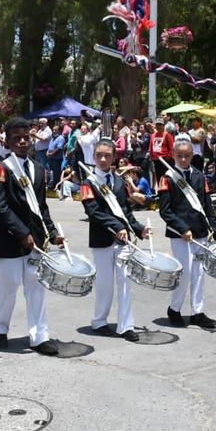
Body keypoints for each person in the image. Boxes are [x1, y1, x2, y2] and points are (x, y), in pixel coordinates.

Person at [0, 117, 65, 355]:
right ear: (8, 141)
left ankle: (39, 336)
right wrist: (21, 232)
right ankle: (0, 329)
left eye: (25, 137)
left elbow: (41, 207)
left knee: (36, 288)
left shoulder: (39, 169)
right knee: (8, 287)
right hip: (11, 239)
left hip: (36, 241)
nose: (22, 141)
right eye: (16, 138)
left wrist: (52, 233)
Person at [80, 140, 150, 342]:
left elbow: (126, 211)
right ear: (93, 157)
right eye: (99, 155)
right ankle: (99, 321)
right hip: (102, 239)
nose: (103, 159)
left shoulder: (119, 181)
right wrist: (117, 226)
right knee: (105, 284)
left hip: (123, 241)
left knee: (125, 281)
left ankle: (126, 326)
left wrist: (138, 228)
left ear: (114, 157)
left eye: (107, 155)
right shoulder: (88, 183)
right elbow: (93, 211)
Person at [158, 138, 216, 329]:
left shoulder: (199, 176)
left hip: (200, 232)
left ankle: (198, 312)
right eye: (180, 156)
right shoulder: (168, 177)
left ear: (192, 155)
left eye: (187, 155)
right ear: (173, 156)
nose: (184, 159)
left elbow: (207, 205)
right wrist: (182, 228)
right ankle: (174, 309)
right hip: (180, 234)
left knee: (199, 273)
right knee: (184, 273)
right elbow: (165, 210)